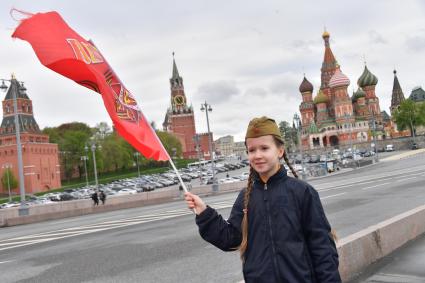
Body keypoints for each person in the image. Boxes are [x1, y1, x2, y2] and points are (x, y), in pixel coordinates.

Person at [185, 117, 341, 283]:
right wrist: (204, 213)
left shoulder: (302, 192)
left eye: (264, 148)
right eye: (252, 150)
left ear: (280, 151)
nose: (257, 155)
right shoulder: (246, 197)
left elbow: (322, 248)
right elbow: (230, 239)